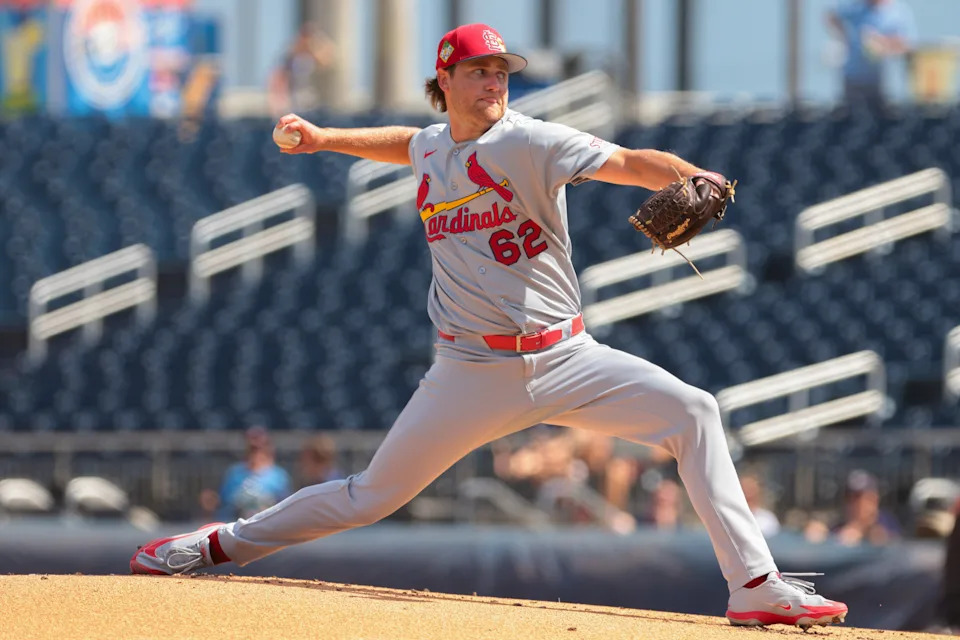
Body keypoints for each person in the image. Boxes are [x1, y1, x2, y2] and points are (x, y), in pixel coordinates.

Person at [131, 23, 848, 629]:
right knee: (370, 496)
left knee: (694, 411)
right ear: (445, 79)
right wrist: (323, 139)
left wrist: (698, 173)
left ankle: (754, 587)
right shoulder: (433, 147)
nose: (495, 83)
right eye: (479, 71)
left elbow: (629, 162)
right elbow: (407, 143)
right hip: (470, 371)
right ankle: (217, 546)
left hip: (568, 356)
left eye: (501, 71)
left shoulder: (530, 141)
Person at [826, 0, 917, 108]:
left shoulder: (898, 12)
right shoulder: (856, 7)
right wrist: (845, 36)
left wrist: (883, 44)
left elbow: (907, 46)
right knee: (850, 115)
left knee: (880, 116)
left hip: (882, 80)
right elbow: (831, 16)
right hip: (852, 76)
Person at [214, 426, 293, 521]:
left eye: (259, 445)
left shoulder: (279, 476)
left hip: (268, 526)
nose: (255, 447)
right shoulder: (234, 473)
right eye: (251, 446)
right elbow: (224, 503)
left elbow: (285, 505)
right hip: (236, 526)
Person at [832, 469, 900, 546]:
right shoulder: (840, 525)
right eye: (850, 497)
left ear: (875, 499)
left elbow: (889, 540)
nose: (856, 503)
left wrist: (862, 532)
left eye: (861, 497)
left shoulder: (886, 521)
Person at [740, 472, 781, 537]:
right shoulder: (732, 515)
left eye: (751, 488)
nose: (747, 492)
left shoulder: (768, 518)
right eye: (744, 488)